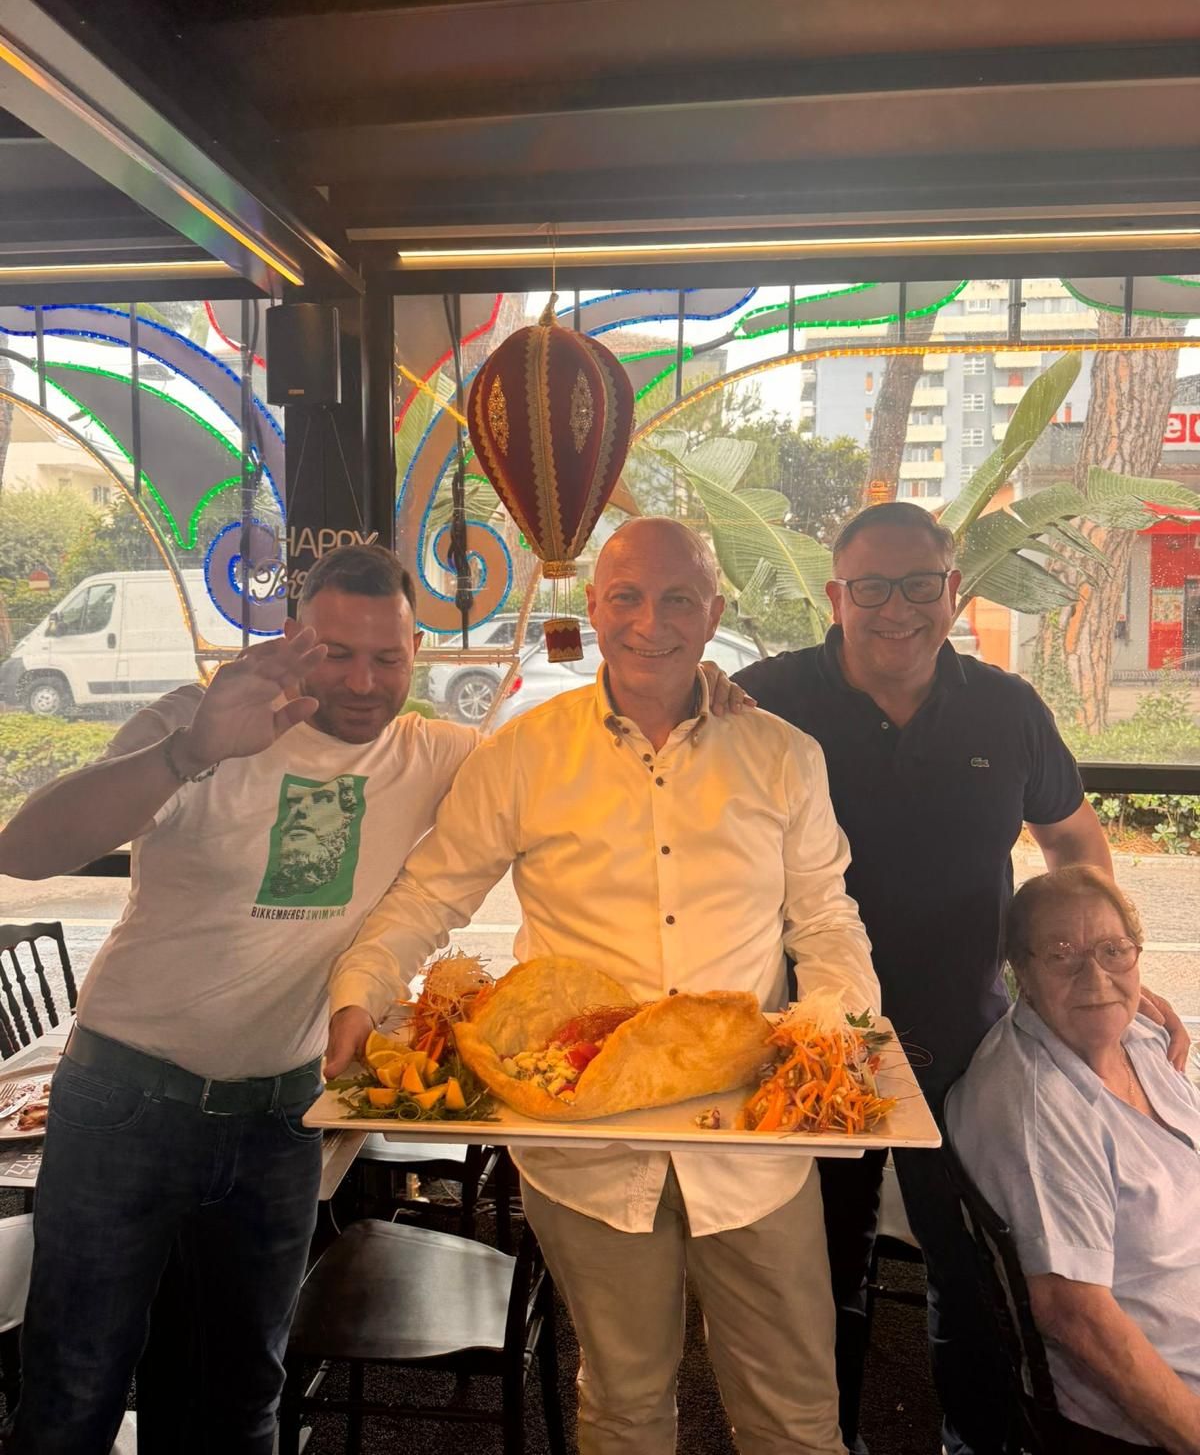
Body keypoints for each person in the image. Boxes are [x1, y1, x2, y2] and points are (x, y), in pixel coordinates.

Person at [327, 516, 881, 1455]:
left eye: (677, 600)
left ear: (713, 615)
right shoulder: (524, 753)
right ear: (592, 606)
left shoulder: (784, 755)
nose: (649, 623)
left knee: (795, 1416)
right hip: (583, 1147)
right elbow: (431, 892)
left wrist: (841, 1034)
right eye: (626, 596)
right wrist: (359, 989)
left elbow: (825, 918)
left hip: (751, 1139)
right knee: (623, 1407)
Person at [0, 546, 476, 1455]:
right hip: (126, 1099)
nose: (364, 682)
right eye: (338, 653)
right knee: (73, 1390)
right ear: (294, 638)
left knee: (242, 1395)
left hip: (280, 1119)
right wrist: (191, 751)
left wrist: (711, 695)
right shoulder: (204, 717)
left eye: (388, 657)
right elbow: (25, 849)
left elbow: (573, 760)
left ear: (417, 652)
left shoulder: (433, 753)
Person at [736, 502, 1188, 1455]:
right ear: (835, 596)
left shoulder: (1007, 709)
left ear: (952, 591)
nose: (895, 609)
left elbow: (1072, 842)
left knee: (973, 1270)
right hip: (810, 1039)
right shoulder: (765, 697)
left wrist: (1106, 966)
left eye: (917, 586)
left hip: (966, 1039)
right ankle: (829, 1442)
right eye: (871, 587)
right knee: (821, 1269)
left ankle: (975, 1442)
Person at [947, 866, 1200, 1455]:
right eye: (1063, 956)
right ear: (1022, 972)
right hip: (1166, 1397)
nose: (1096, 977)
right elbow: (1074, 1315)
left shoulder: (1137, 1038)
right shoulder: (1041, 1107)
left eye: (1113, 950)